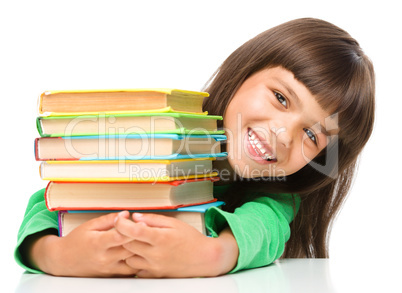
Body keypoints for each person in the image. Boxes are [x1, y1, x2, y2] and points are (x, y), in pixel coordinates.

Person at [15, 18, 375, 278]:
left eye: (312, 136)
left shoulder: (277, 198)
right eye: (280, 97)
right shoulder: (163, 138)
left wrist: (213, 253)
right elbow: (53, 202)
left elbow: (265, 228)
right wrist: (55, 255)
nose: (283, 135)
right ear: (245, 71)